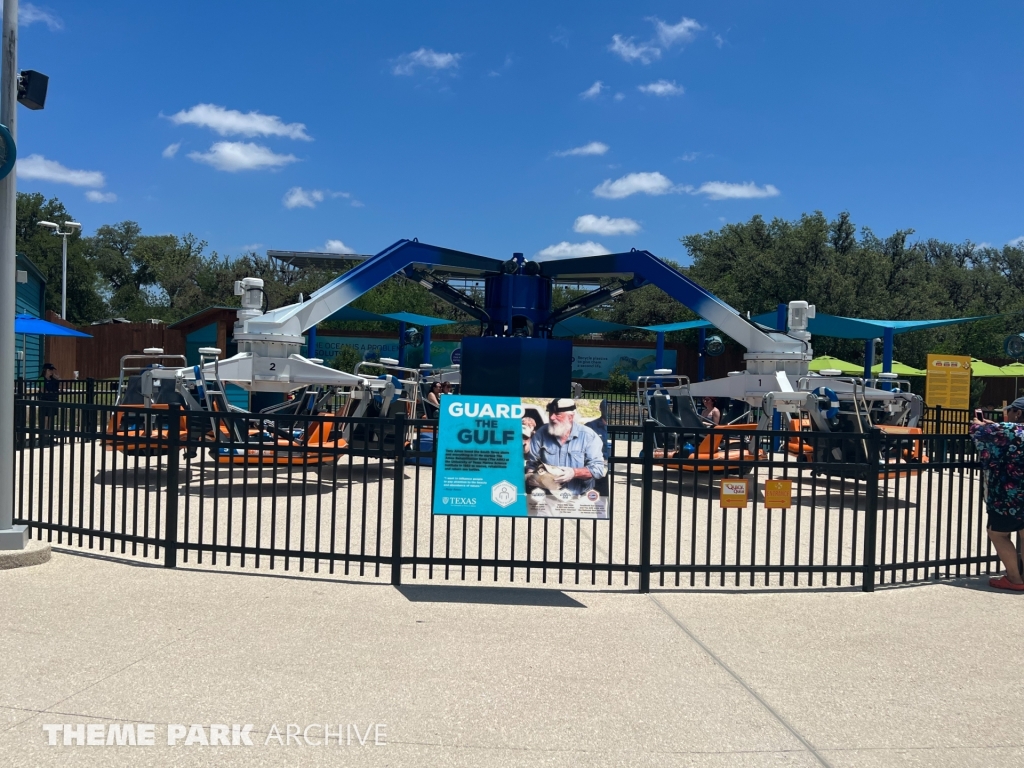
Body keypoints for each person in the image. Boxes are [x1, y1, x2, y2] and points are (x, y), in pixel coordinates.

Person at [970, 397, 1024, 591]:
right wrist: (997, 426)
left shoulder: (1006, 431)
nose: (1007, 414)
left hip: (1007, 495)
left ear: (1017, 413)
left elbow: (978, 431)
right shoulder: (1007, 430)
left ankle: (1014, 579)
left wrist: (978, 424)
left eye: (1009, 410)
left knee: (998, 533)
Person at [526, 398, 606, 495]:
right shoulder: (541, 434)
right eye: (550, 413)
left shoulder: (588, 436)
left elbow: (598, 469)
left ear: (570, 417)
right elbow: (532, 464)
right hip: (547, 499)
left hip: (578, 499)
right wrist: (531, 477)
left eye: (557, 414)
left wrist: (574, 473)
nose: (551, 417)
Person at [40, 363, 60, 443]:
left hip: (53, 400)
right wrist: (49, 393)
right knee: (46, 418)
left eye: (52, 370)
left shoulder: (54, 380)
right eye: (50, 370)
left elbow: (60, 388)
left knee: (51, 417)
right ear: (46, 370)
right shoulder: (41, 379)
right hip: (45, 400)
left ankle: (50, 436)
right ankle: (45, 436)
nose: (51, 372)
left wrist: (58, 379)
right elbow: (42, 390)